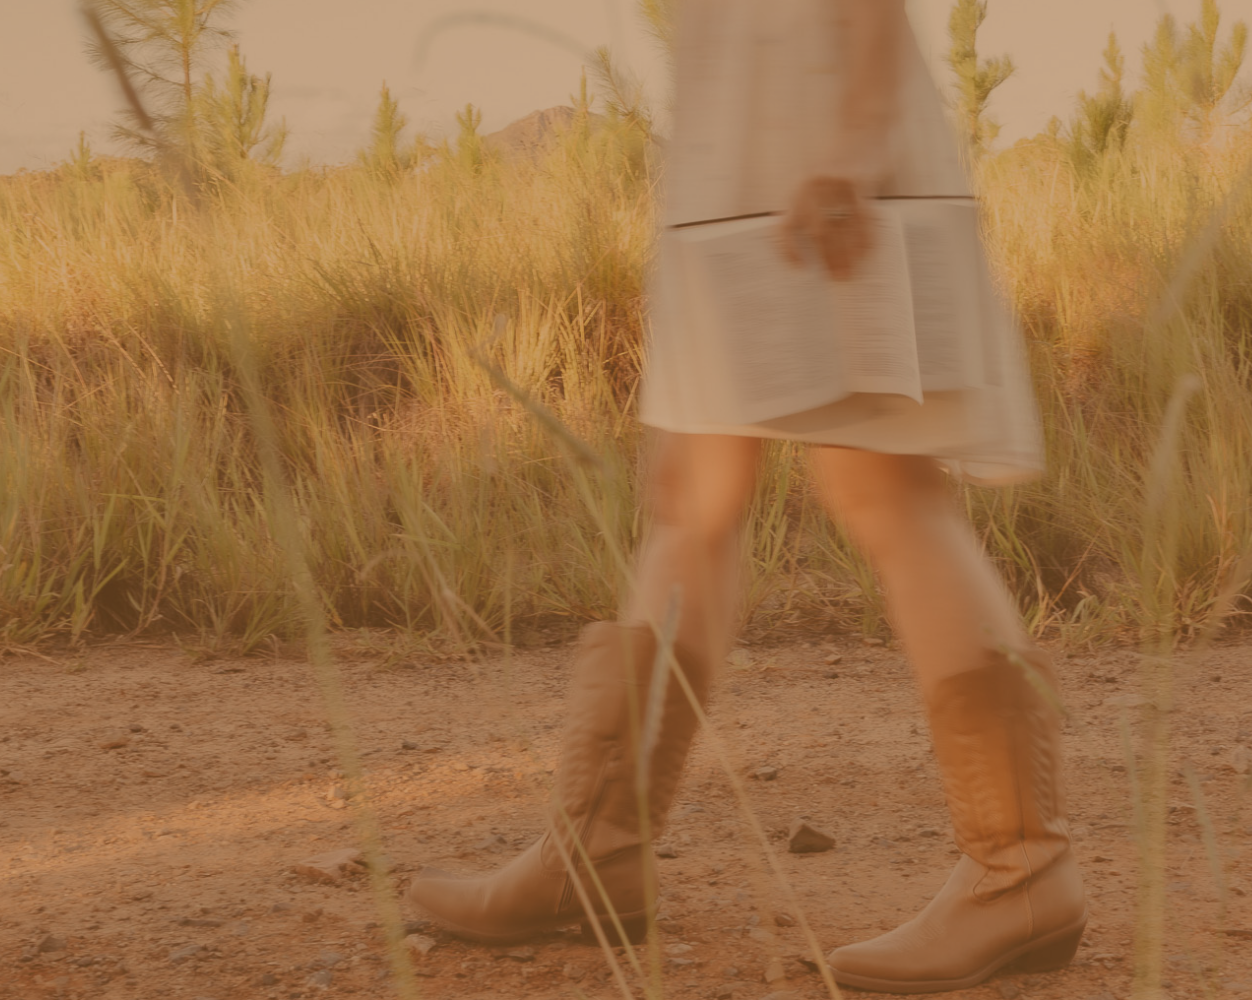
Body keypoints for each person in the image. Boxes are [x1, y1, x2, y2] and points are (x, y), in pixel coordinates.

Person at [405, 0, 1086, 990]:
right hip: (738, 170)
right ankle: (596, 855)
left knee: (885, 485)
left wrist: (853, 148)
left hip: (822, 162)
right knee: (695, 494)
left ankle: (1018, 869)